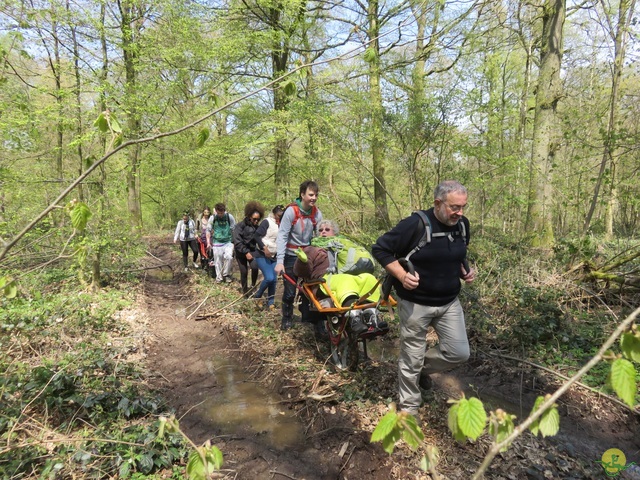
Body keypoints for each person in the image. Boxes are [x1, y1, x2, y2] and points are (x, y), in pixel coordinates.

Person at [371, 180, 476, 418]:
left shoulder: (462, 225)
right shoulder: (414, 225)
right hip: (416, 303)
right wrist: (400, 274)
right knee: (411, 357)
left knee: (459, 352)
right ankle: (409, 409)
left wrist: (464, 270)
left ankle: (419, 370)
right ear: (438, 203)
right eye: (454, 208)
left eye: (463, 207)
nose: (460, 213)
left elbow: (457, 253)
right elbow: (380, 248)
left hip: (449, 302)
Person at [275, 180, 323, 332]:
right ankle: (287, 318)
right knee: (290, 291)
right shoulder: (291, 211)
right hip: (291, 256)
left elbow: (320, 237)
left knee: (312, 290)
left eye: (316, 195)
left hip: (309, 257)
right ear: (302, 194)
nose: (313, 198)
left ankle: (313, 320)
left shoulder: (317, 213)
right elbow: (282, 236)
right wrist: (279, 261)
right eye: (310, 194)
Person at [253, 205, 285, 309]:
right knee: (269, 278)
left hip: (274, 255)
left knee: (274, 280)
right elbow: (256, 236)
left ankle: (270, 302)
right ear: (274, 214)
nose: (279, 218)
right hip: (262, 254)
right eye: (278, 215)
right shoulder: (266, 222)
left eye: (281, 216)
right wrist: (264, 248)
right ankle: (257, 296)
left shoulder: (282, 224)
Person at [234, 201, 264, 295]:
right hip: (241, 252)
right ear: (249, 216)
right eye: (254, 219)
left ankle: (253, 287)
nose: (256, 221)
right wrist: (245, 252)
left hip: (252, 251)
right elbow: (237, 241)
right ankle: (244, 291)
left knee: (255, 268)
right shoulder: (240, 226)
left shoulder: (257, 228)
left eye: (258, 219)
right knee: (244, 272)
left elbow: (261, 240)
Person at [207, 203, 236, 283]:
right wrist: (208, 242)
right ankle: (219, 277)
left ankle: (226, 274)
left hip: (228, 241)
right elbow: (208, 230)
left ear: (224, 211)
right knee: (218, 260)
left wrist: (235, 241)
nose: (220, 215)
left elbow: (234, 229)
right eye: (218, 213)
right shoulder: (212, 218)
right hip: (216, 242)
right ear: (216, 211)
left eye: (221, 213)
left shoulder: (229, 217)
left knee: (229, 257)